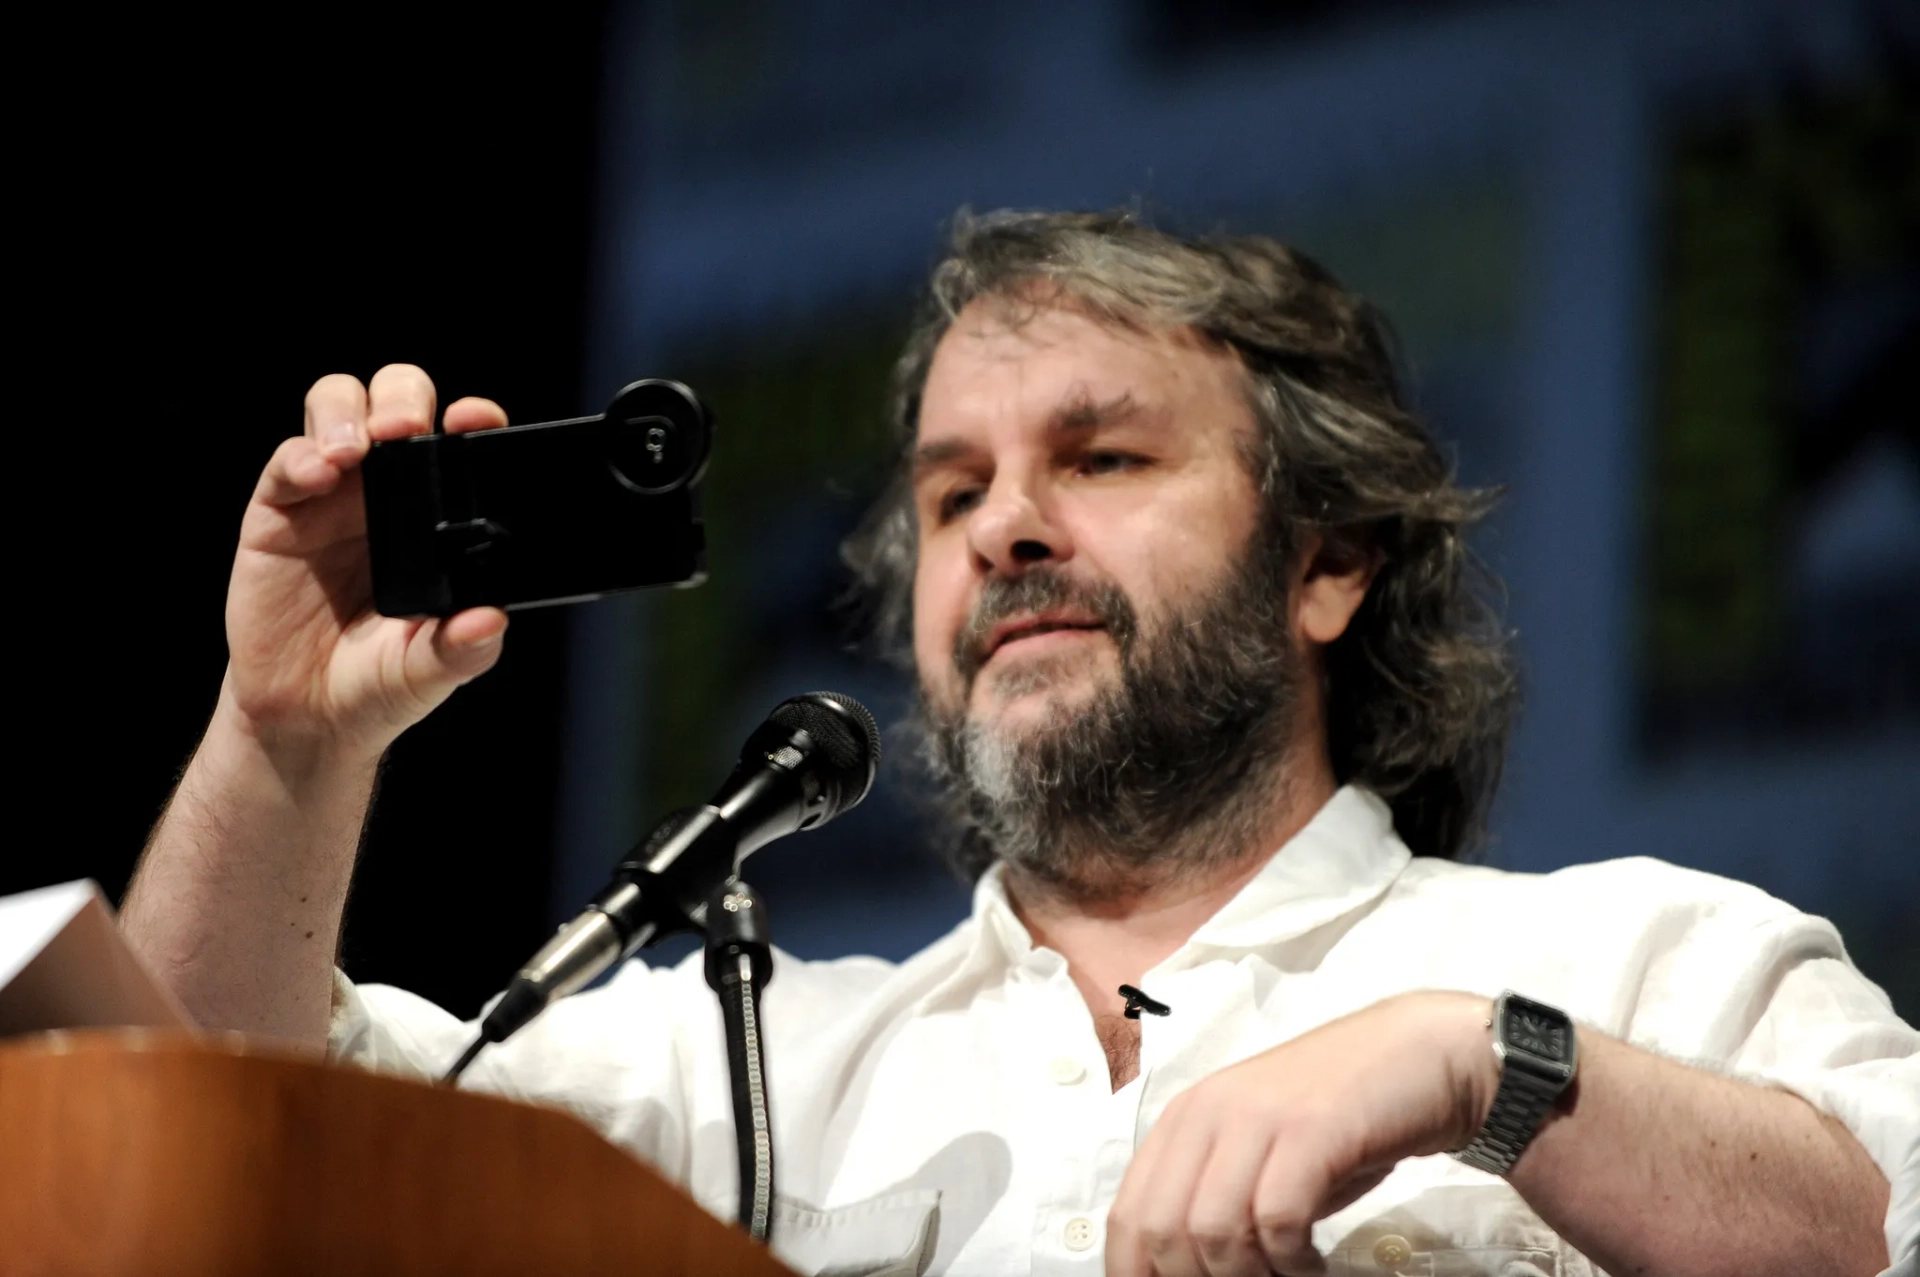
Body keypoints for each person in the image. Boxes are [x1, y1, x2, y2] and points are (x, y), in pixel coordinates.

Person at [121, 210, 1914, 1277]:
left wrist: (1491, 1074)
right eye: (954, 488)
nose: (1007, 529)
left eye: (1104, 458)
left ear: (1329, 562)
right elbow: (181, 1174)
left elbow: (1881, 1220)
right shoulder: (719, 1070)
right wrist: (279, 739)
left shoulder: (1626, 961)